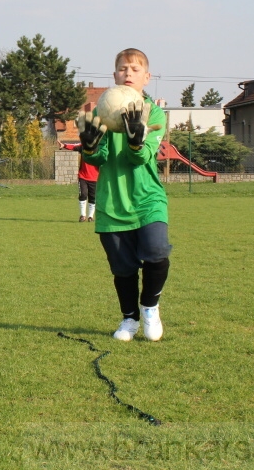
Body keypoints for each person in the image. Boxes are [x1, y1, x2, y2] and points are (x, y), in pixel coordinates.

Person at [78, 48, 171, 342]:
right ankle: (129, 319)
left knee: (157, 254)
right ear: (115, 75)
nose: (128, 73)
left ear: (146, 77)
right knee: (123, 269)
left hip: (147, 199)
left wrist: (135, 142)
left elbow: (141, 158)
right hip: (112, 201)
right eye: (122, 68)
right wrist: (90, 147)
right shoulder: (101, 112)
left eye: (134, 68)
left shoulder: (153, 113)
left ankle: (150, 307)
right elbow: (98, 159)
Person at [57, 139, 100, 222]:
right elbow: (74, 146)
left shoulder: (99, 148)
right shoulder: (83, 146)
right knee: (83, 194)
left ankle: (90, 216)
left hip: (94, 178)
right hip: (83, 176)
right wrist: (64, 145)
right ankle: (82, 215)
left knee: (93, 197)